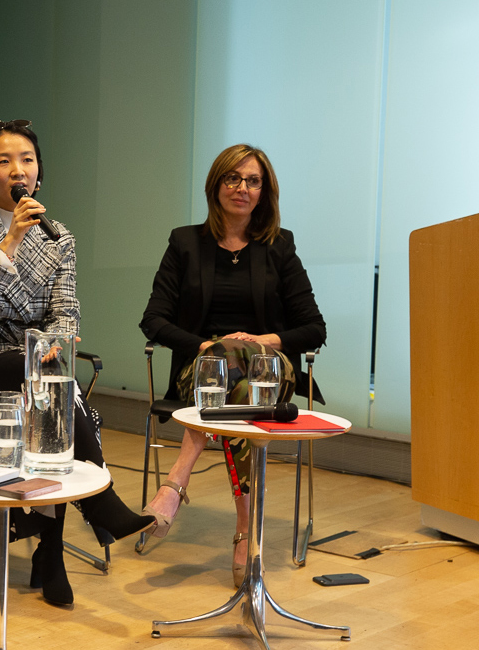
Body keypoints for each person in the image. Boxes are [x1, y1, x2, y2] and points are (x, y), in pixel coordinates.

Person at [0, 119, 155, 606]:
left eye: (27, 160)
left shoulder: (59, 236)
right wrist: (9, 242)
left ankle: (50, 549)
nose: (18, 169)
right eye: (4, 161)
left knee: (47, 379)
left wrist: (53, 342)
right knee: (44, 384)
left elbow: (65, 311)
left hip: (34, 361)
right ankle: (94, 512)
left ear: (39, 172)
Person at [139, 143, 326, 588]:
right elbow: (154, 319)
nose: (242, 187)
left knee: (243, 363)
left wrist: (260, 340)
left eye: (253, 180)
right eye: (233, 178)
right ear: (216, 184)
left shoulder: (280, 247)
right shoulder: (185, 243)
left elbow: (314, 328)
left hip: (268, 373)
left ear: (264, 192)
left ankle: (177, 479)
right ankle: (247, 527)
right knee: (227, 366)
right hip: (204, 373)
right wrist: (209, 344)